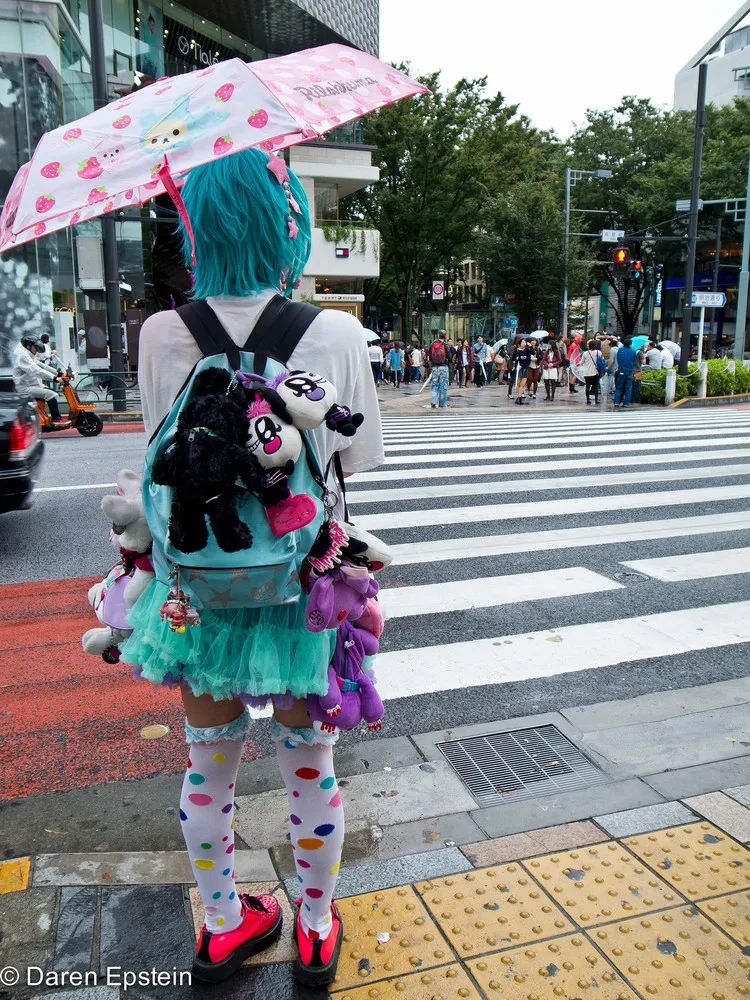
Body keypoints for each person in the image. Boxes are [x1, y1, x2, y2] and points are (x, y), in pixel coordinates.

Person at [121, 148, 384, 989]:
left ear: (194, 225)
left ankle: (225, 927)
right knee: (311, 763)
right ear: (284, 222)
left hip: (198, 587)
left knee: (209, 764)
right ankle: (313, 928)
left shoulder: (163, 333)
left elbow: (160, 463)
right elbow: (360, 457)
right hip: (303, 584)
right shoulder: (335, 331)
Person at [13, 335, 69, 427]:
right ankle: (56, 419)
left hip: (33, 384)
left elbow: (43, 366)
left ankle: (44, 417)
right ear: (28, 346)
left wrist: (58, 373)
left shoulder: (31, 355)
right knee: (52, 394)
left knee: (51, 392)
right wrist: (54, 378)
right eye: (35, 346)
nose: (37, 348)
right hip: (24, 388)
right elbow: (36, 370)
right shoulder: (24, 356)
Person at [429, 330, 450, 409]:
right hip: (443, 367)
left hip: (435, 368)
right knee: (443, 386)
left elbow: (430, 357)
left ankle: (433, 402)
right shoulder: (445, 345)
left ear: (438, 335)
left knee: (435, 385)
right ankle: (442, 404)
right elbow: (449, 357)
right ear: (445, 336)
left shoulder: (433, 344)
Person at [613, 336, 637, 408]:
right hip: (629, 371)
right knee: (628, 388)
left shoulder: (620, 350)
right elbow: (634, 360)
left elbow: (618, 358)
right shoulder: (633, 351)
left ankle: (616, 402)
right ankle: (626, 403)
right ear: (630, 344)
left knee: (619, 387)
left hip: (621, 370)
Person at [580, 338, 604, 405]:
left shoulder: (585, 353)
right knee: (596, 386)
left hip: (587, 372)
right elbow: (602, 360)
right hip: (595, 372)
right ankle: (596, 399)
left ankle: (588, 399)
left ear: (589, 346)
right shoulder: (598, 352)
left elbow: (582, 362)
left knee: (587, 385)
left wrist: (578, 364)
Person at [513, 337, 531, 405]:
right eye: (522, 342)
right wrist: (519, 358)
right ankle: (519, 397)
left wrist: (531, 346)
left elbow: (532, 352)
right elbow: (513, 359)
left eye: (525, 342)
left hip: (525, 367)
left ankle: (519, 398)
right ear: (520, 344)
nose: (524, 343)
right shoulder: (517, 350)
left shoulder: (527, 350)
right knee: (518, 383)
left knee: (523, 384)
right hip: (519, 368)